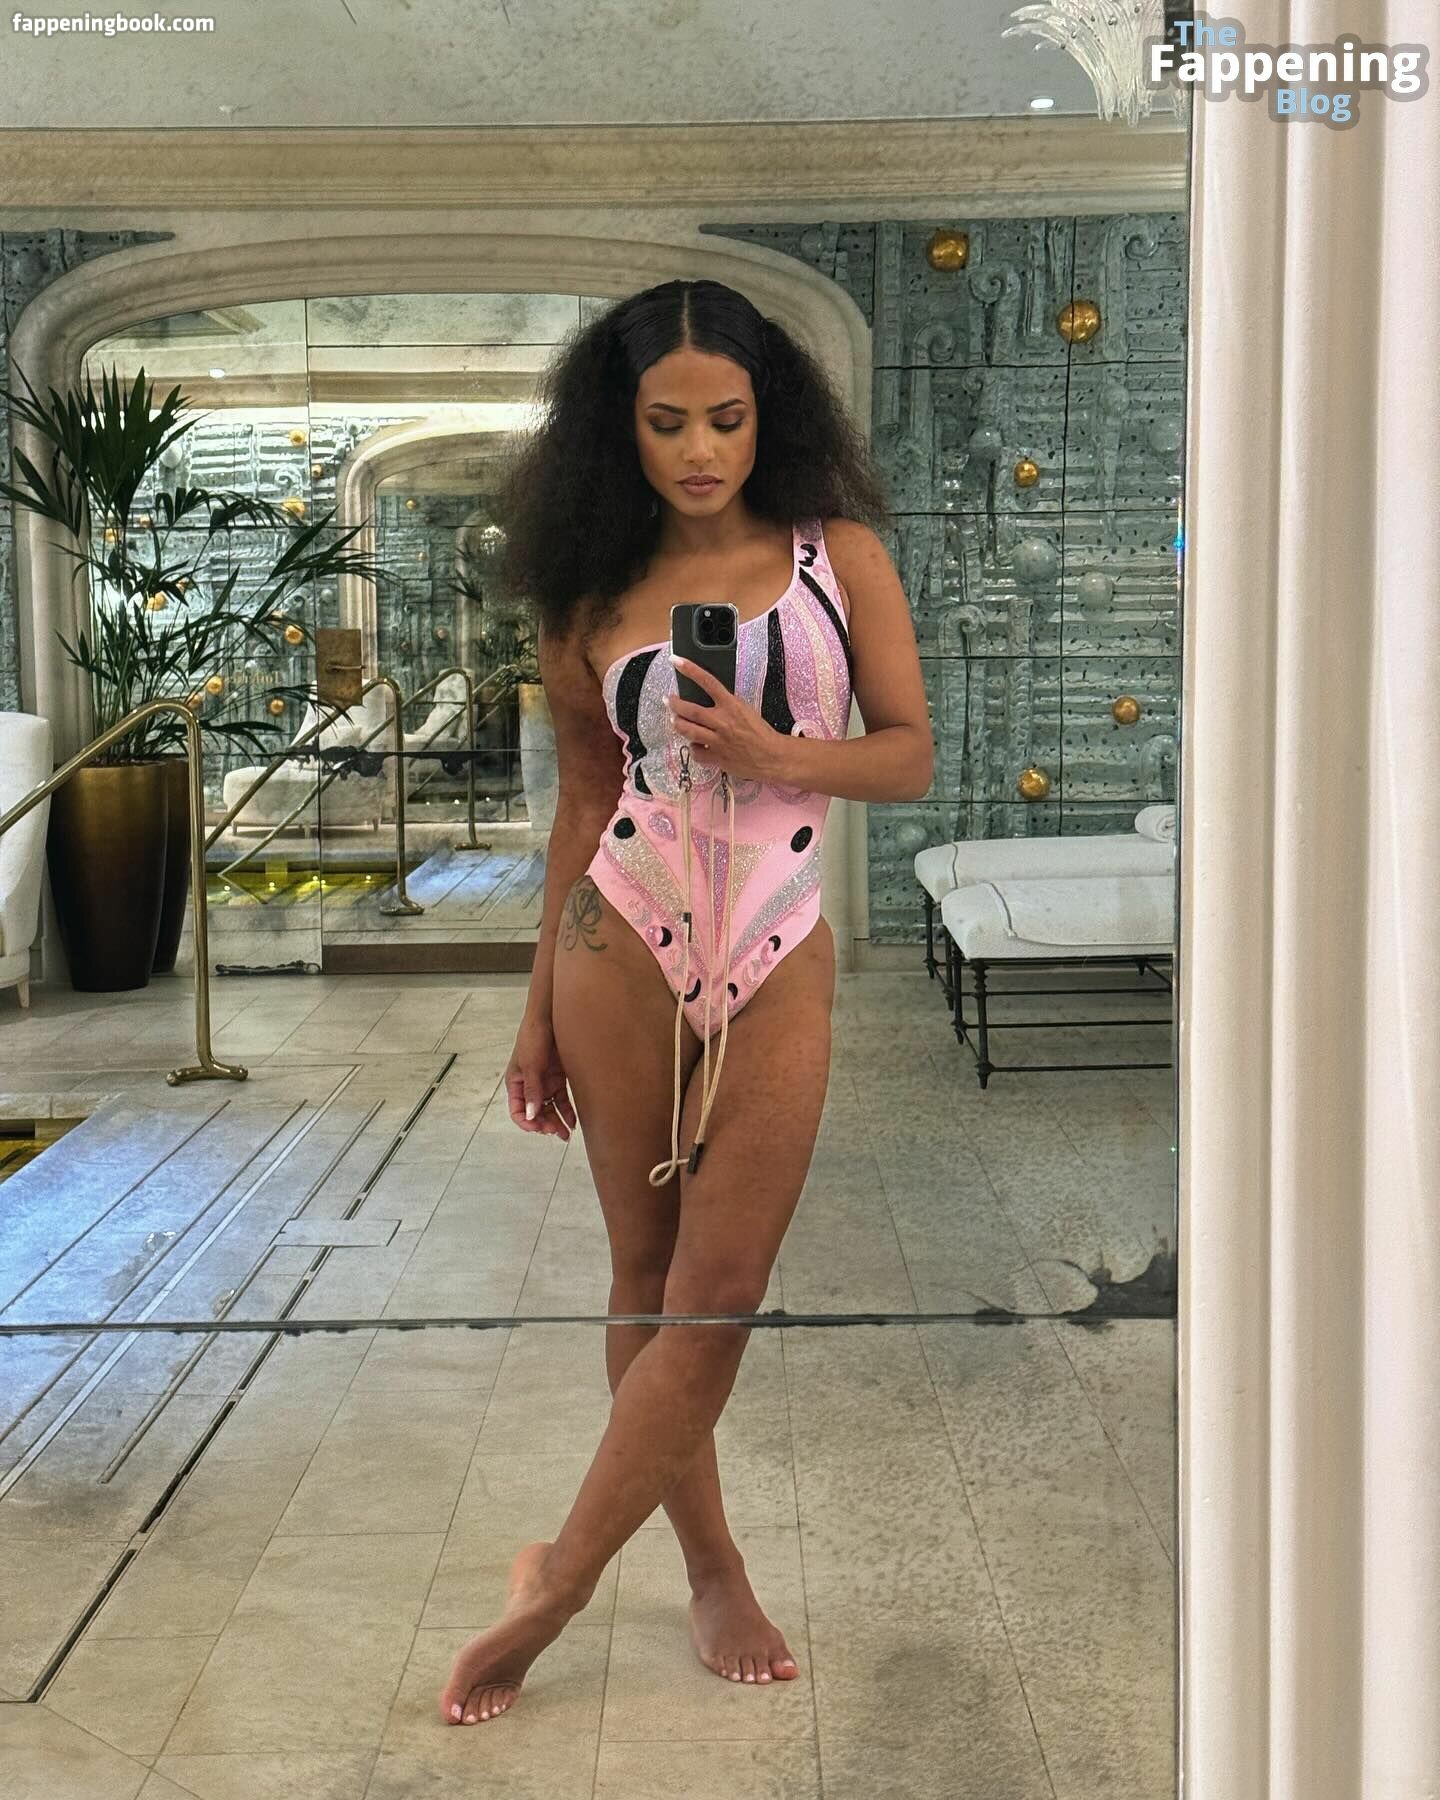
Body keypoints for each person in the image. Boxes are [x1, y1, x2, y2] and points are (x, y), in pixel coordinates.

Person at [439, 278, 933, 1727]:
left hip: (781, 938)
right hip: (621, 939)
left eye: (727, 418)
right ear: (623, 426)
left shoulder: (842, 556)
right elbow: (582, 801)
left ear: (770, 416)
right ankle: (712, 1568)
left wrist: (781, 752)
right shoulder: (590, 592)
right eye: (667, 423)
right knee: (645, 1276)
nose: (700, 450)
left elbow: (908, 755)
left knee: (717, 1296)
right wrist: (534, 1009)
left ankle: (558, 1582)